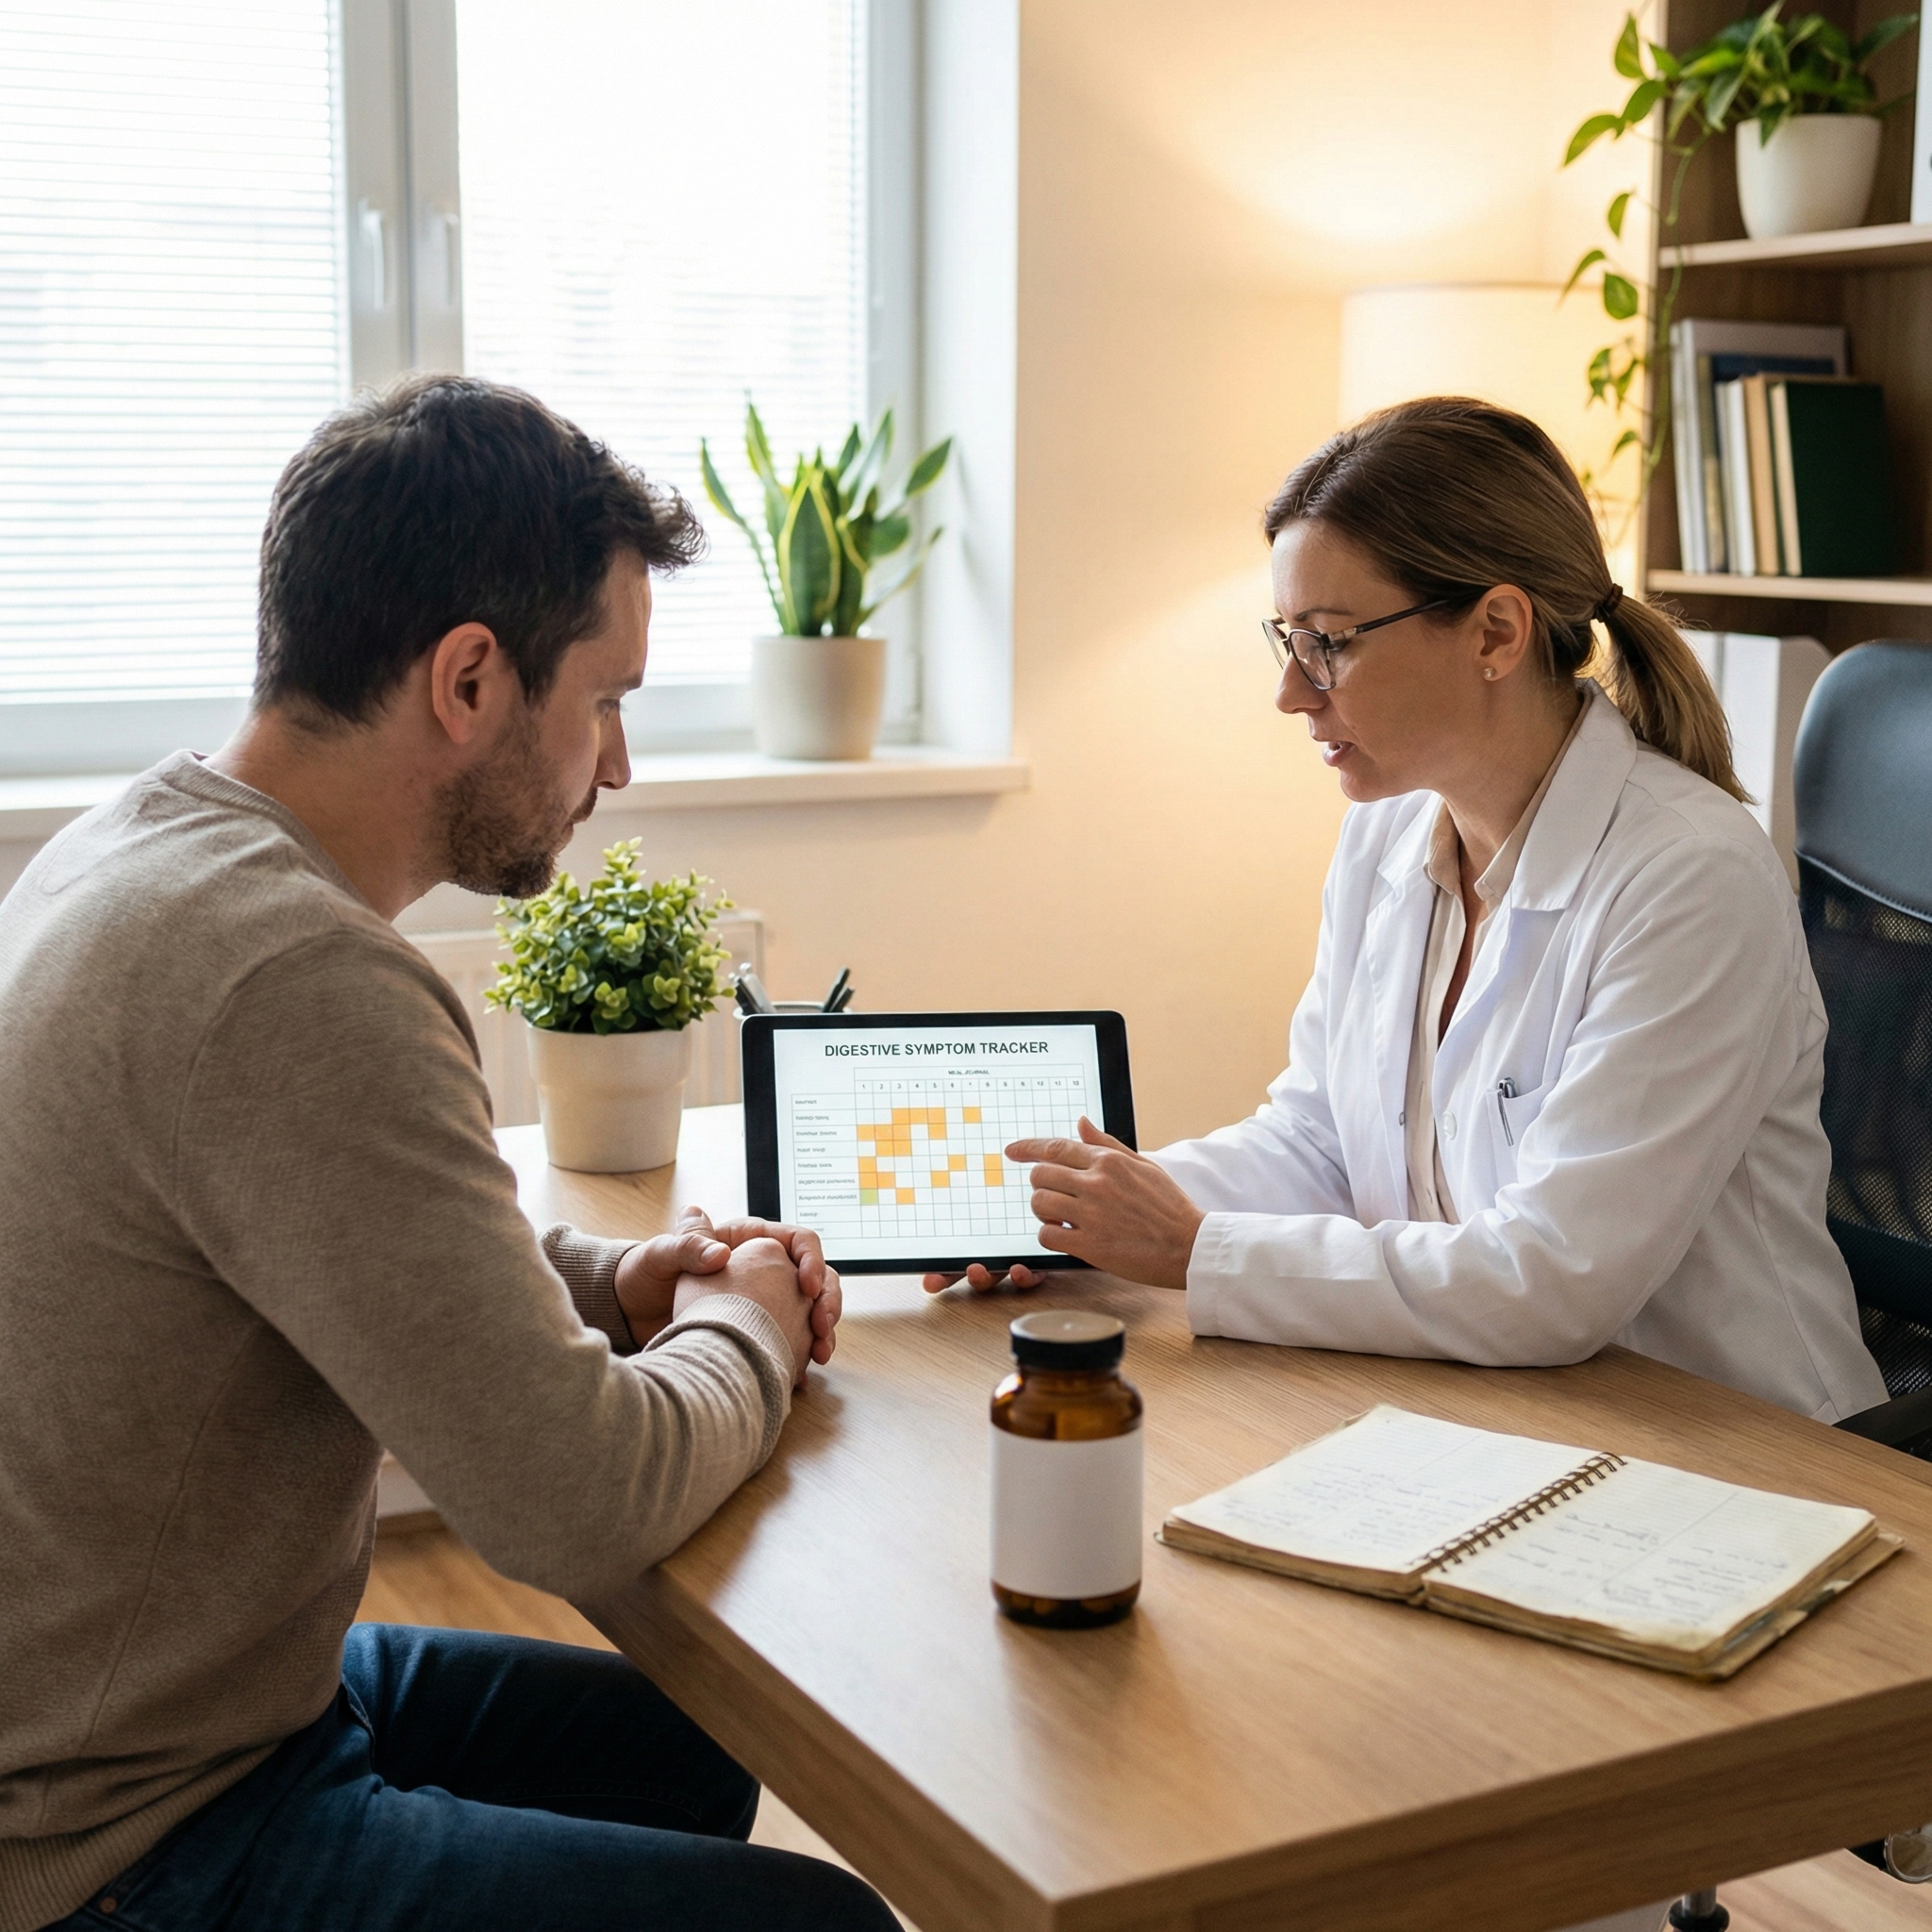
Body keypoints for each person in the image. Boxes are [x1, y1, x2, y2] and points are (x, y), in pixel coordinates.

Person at [0, 375, 895, 1932]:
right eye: (604, 698)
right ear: (471, 678)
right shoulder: (293, 975)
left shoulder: (142, 842)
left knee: (696, 1739)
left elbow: (313, 1228)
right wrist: (746, 1316)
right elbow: (573, 1504)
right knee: (817, 1918)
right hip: (117, 1829)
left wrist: (616, 1278)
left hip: (146, 1696)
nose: (614, 766)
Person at [931, 395, 1884, 1430]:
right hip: (1506, 1410)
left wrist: (1190, 1247)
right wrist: (1088, 1210)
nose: (1293, 693)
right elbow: (1318, 1140)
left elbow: (1546, 1276)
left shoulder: (1688, 879)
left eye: (1329, 642)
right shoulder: (1388, 836)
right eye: (1285, 640)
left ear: (1495, 631)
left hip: (1736, 1445)